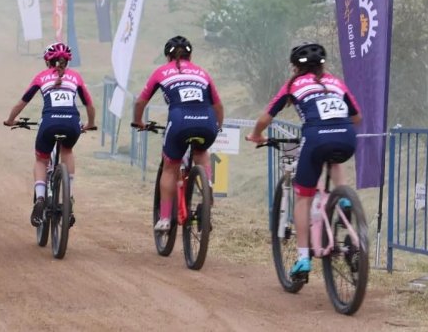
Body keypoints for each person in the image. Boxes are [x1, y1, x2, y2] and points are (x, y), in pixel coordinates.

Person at [245, 42, 360, 278]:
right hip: (347, 136)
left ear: (295, 67)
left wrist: (256, 135)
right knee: (335, 159)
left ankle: (303, 259)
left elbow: (267, 116)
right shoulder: (336, 82)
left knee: (303, 197)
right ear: (323, 64)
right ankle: (344, 200)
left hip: (315, 137)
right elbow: (357, 116)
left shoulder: (293, 84)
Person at [132, 35, 224, 234]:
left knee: (170, 166)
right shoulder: (202, 72)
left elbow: (140, 102)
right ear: (190, 56)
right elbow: (218, 105)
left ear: (168, 57)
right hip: (207, 121)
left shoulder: (162, 71)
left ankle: (165, 218)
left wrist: (138, 121)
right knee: (201, 152)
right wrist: (218, 127)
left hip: (180, 120)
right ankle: (207, 190)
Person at [4, 42, 96, 227]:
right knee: (67, 151)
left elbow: (22, 103)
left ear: (48, 62)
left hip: (49, 124)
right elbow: (89, 105)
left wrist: (11, 120)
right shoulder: (75, 77)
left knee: (41, 159)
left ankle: (39, 199)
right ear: (66, 62)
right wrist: (91, 123)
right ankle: (68, 198)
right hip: (72, 124)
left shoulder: (41, 77)